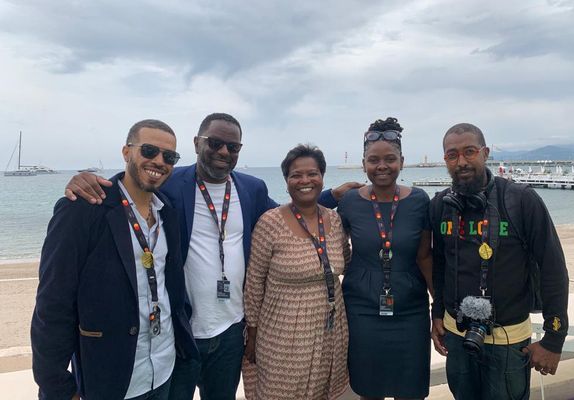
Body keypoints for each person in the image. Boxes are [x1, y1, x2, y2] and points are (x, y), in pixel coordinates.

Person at [64, 113, 361, 400]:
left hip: (231, 331)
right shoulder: (170, 182)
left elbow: (291, 213)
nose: (223, 151)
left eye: (232, 147)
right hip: (180, 330)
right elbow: (135, 183)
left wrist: (331, 196)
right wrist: (87, 182)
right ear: (197, 144)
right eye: (215, 143)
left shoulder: (251, 189)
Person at [31, 119, 198, 400]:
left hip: (165, 367)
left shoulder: (167, 211)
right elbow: (52, 304)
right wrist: (57, 387)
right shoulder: (84, 209)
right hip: (112, 379)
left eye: (169, 156)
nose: (159, 161)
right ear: (126, 152)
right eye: (149, 150)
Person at [429, 123, 569, 400]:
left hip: (508, 340)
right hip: (458, 335)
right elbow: (441, 265)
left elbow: (553, 268)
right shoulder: (440, 205)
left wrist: (554, 339)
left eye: (470, 152)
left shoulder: (521, 200)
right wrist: (437, 314)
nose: (462, 161)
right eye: (452, 155)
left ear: (485, 153)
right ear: (445, 160)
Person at [243, 144, 350, 399]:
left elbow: (347, 260)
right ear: (287, 181)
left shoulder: (334, 221)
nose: (305, 181)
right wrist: (252, 334)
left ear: (322, 177)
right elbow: (254, 284)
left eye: (312, 173)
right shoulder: (270, 223)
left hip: (330, 330)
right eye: (296, 175)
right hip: (282, 333)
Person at [337, 117, 433, 400]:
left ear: (402, 161)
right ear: (363, 163)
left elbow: (425, 256)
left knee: (411, 390)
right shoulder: (350, 201)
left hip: (411, 309)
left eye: (390, 159)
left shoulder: (419, 201)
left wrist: (438, 304)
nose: (382, 166)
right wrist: (331, 194)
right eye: (373, 160)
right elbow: (316, 222)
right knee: (368, 389)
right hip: (362, 309)